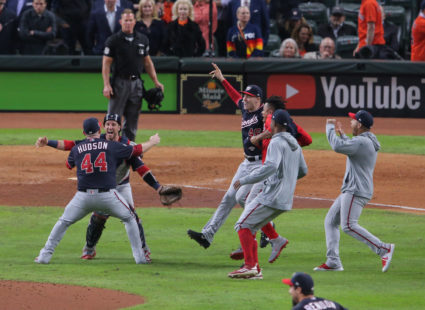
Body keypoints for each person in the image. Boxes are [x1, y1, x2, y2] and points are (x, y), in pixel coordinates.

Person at [34, 114, 174, 263]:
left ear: (119, 127)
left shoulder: (124, 143)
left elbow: (141, 168)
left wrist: (157, 187)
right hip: (107, 191)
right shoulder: (108, 144)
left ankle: (144, 251)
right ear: (102, 127)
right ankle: (91, 248)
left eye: (113, 124)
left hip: (119, 187)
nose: (110, 127)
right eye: (108, 124)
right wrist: (152, 142)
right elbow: (70, 144)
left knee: (132, 218)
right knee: (104, 217)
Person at [187, 63, 266, 251]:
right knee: (229, 198)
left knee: (243, 199)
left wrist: (263, 138)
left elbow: (276, 131)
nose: (245, 99)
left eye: (248, 97)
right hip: (246, 163)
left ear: (258, 99)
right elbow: (235, 96)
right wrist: (222, 79)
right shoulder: (246, 109)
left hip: (261, 165)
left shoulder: (265, 115)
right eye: (245, 96)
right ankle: (207, 235)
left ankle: (266, 231)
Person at [229, 95, 312, 260]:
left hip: (269, 175)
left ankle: (254, 254)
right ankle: (270, 239)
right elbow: (307, 139)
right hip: (276, 177)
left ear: (272, 114)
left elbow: (270, 132)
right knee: (244, 200)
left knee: (245, 209)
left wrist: (259, 137)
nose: (262, 113)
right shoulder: (289, 127)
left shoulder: (271, 124)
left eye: (265, 110)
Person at [314, 111, 395, 272]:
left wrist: (329, 127)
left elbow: (337, 147)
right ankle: (333, 261)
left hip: (356, 190)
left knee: (348, 225)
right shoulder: (365, 141)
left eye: (352, 121)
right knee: (330, 221)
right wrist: (344, 136)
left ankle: (383, 248)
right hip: (354, 189)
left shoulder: (362, 142)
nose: (350, 123)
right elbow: (353, 149)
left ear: (359, 124)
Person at [103, 8, 164, 142]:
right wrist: (106, 85)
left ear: (135, 22)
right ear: (121, 21)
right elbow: (106, 63)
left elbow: (147, 62)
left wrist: (156, 81)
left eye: (131, 20)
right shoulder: (113, 40)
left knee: (132, 120)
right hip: (119, 83)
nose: (128, 23)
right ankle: (110, 150)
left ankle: (128, 153)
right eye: (126, 20)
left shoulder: (142, 39)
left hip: (136, 84)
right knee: (113, 120)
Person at [282, 272, 348, 310]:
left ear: (298, 290)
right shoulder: (333, 304)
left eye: (291, 287)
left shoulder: (300, 308)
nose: (289, 291)